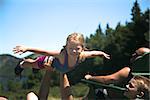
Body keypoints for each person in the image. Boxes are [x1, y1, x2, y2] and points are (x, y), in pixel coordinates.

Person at [13, 32, 110, 99]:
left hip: (58, 67)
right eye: (71, 48)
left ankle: (33, 67)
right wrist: (27, 48)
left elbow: (92, 53)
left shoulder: (82, 55)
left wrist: (101, 53)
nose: (74, 51)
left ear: (82, 48)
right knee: (32, 64)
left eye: (77, 48)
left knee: (36, 66)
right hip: (48, 61)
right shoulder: (62, 55)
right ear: (66, 47)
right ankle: (22, 63)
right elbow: (44, 51)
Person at [84, 47, 150, 99]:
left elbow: (108, 80)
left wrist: (90, 78)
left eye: (136, 54)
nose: (132, 55)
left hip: (107, 97)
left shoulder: (128, 71)